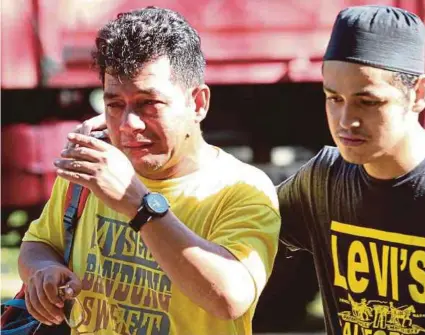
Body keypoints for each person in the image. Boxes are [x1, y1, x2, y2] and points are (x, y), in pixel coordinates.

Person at [18, 6, 280, 335]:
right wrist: (44, 271)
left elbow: (229, 299)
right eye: (114, 104)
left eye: (148, 103)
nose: (129, 124)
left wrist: (138, 205)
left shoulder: (240, 189)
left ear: (197, 103)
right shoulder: (93, 167)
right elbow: (38, 243)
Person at [278, 5, 425, 335]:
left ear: (419, 94)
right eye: (333, 98)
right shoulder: (322, 179)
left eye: (368, 102)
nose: (345, 121)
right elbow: (242, 224)